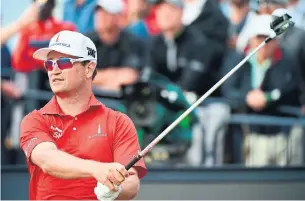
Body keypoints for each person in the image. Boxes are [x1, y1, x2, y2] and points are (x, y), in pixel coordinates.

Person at [19, 30, 147, 200]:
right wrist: (97, 170)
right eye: (49, 64)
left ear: (89, 69)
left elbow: (131, 183)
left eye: (64, 62)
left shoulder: (118, 122)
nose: (54, 70)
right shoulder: (34, 120)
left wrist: (116, 190)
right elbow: (47, 160)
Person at [147, 0, 231, 166]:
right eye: (160, 9)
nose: (164, 14)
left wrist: (167, 92)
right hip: (169, 107)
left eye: (170, 9)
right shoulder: (154, 43)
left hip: (203, 105)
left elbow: (190, 82)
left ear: (180, 13)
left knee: (198, 139)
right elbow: (150, 78)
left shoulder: (197, 41)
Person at [220, 14, 300, 166]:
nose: (264, 44)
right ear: (251, 39)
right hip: (249, 133)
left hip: (282, 133)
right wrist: (247, 97)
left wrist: (267, 98)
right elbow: (228, 89)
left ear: (276, 41)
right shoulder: (239, 61)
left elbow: (287, 89)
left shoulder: (286, 61)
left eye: (268, 39)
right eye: (259, 38)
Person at [86, 0, 146, 91]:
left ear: (118, 17)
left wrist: (95, 79)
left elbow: (129, 76)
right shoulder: (86, 41)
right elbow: (79, 75)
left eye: (106, 13)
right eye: (98, 12)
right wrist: (111, 76)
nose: (100, 17)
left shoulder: (132, 42)